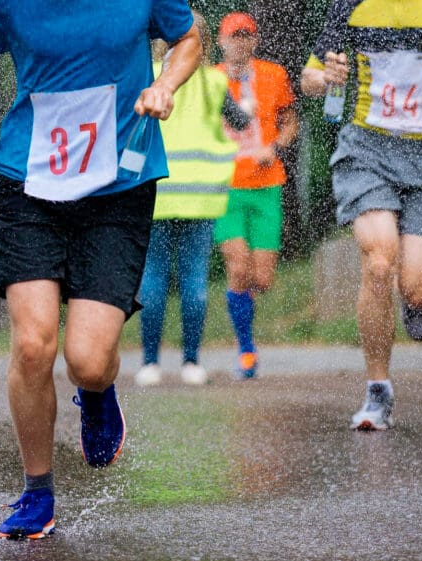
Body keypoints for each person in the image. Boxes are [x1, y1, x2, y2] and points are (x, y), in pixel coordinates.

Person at [0, 0, 201, 540]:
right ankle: (37, 492)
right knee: (33, 345)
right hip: (29, 180)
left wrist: (165, 84)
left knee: (88, 360)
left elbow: (190, 38)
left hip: (119, 182)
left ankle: (98, 391)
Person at [300, 0, 422, 429]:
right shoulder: (350, 6)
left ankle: (418, 303)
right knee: (379, 262)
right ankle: (377, 390)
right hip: (367, 152)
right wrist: (325, 76)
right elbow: (309, 79)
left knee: (417, 289)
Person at [135, 12, 246, 387]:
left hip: (156, 193)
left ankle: (150, 363)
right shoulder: (215, 81)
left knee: (153, 279)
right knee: (194, 278)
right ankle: (191, 362)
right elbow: (243, 122)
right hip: (201, 196)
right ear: (206, 42)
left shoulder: (147, 73)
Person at [214, 12, 299, 380]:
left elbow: (291, 120)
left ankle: (246, 325)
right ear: (221, 42)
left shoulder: (273, 75)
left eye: (246, 35)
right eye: (234, 36)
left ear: (256, 40)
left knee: (262, 279)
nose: (240, 42)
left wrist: (276, 146)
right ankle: (246, 350)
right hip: (226, 187)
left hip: (266, 183)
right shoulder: (210, 80)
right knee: (238, 269)